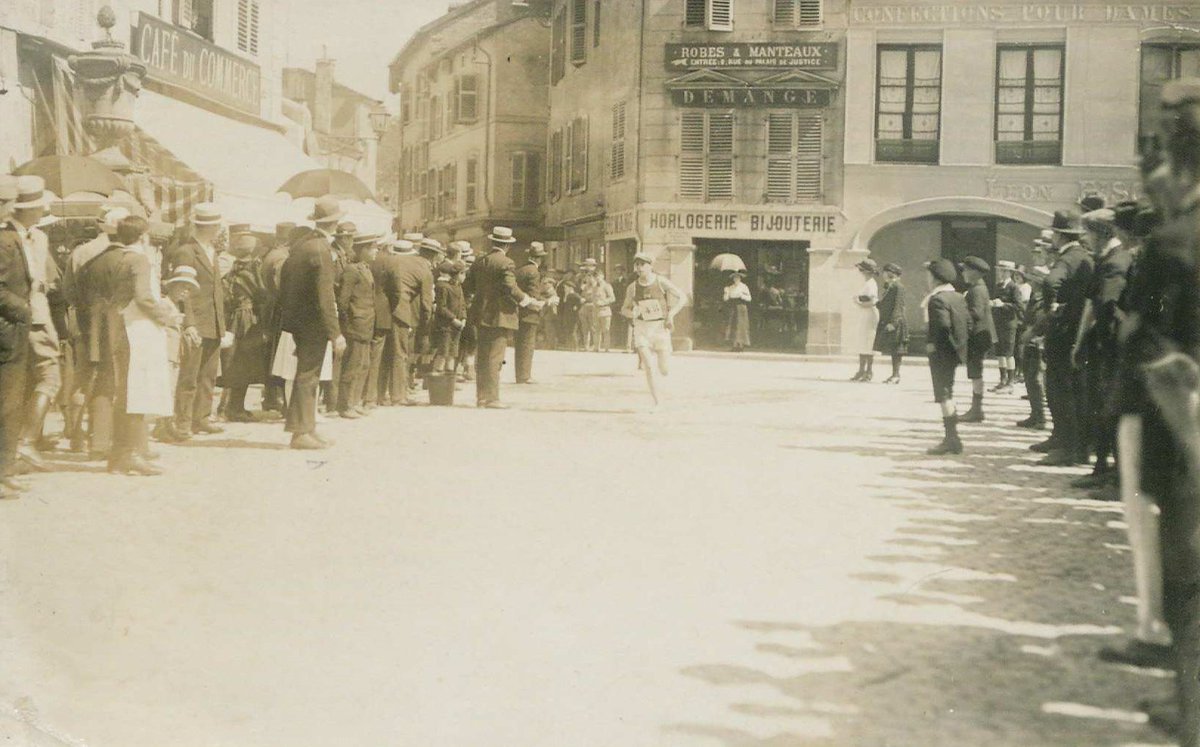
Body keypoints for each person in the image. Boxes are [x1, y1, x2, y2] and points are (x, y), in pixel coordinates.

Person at [1120, 78, 1200, 740]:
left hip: (1188, 414)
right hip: (1179, 405)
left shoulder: (1179, 238)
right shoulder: (1176, 230)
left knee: (1187, 563)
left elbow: (1138, 325)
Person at [107, 216, 175, 476]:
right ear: (143, 236)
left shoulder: (116, 258)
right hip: (138, 330)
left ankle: (119, 455)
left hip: (121, 327)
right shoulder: (140, 259)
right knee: (137, 392)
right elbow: (144, 297)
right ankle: (131, 454)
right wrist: (165, 317)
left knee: (125, 392)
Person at [277, 196, 346, 450]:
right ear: (335, 222)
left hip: (300, 320)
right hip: (314, 323)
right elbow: (324, 295)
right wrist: (335, 332)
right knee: (308, 376)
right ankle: (300, 432)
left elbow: (285, 284)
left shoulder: (303, 245)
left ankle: (306, 427)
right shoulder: (321, 249)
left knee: (308, 375)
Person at [1071, 208, 1132, 488]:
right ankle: (1101, 468)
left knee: (1109, 407)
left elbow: (1106, 308)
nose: (1085, 238)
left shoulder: (1116, 262)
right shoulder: (1106, 260)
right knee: (1099, 406)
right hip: (1101, 345)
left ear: (1103, 233)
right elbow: (1091, 306)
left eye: (1089, 232)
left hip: (1110, 347)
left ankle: (1116, 476)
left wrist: (1086, 340)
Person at [6, 177, 63, 472]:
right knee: (49, 376)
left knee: (20, 384)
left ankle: (15, 452)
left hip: (22, 317)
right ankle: (26, 443)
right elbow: (49, 280)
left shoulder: (33, 237)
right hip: (32, 317)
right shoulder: (36, 239)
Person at [1037, 209, 1095, 466]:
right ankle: (1064, 440)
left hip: (1063, 332)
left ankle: (1067, 447)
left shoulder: (1067, 257)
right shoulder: (1084, 256)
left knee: (1060, 389)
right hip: (1079, 329)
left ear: (1060, 236)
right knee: (1073, 390)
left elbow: (1051, 283)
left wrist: (1050, 307)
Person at [463, 226, 542, 408]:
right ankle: (492, 398)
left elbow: (468, 288)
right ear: (507, 246)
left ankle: (481, 396)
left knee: (482, 356)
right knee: (495, 357)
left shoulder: (479, 262)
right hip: (500, 315)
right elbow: (510, 287)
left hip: (480, 314)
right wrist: (527, 301)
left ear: (493, 242)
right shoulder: (506, 263)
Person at [169, 203, 226, 438]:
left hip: (212, 321)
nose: (220, 229)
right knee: (189, 375)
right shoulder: (187, 251)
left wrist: (222, 323)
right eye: (217, 225)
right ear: (209, 226)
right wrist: (189, 322)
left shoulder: (211, 250)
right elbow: (184, 291)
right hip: (196, 321)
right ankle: (182, 422)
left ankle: (201, 417)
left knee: (208, 374)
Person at [620, 252, 686, 409]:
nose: (639, 267)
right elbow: (624, 309)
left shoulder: (660, 282)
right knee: (649, 366)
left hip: (660, 329)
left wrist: (671, 314)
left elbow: (682, 297)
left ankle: (667, 387)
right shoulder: (632, 287)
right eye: (637, 264)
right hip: (642, 328)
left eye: (643, 264)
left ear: (650, 266)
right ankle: (657, 402)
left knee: (664, 370)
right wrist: (632, 313)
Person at [0, 174, 30, 498]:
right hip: (7, 331)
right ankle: (3, 472)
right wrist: (23, 309)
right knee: (8, 403)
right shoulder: (3, 241)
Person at [220, 232, 270, 422]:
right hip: (246, 318)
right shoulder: (250, 269)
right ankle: (235, 408)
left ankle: (232, 405)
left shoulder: (233, 268)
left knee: (235, 361)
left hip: (235, 317)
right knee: (244, 362)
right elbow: (261, 293)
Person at [923, 258, 969, 455]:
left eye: (929, 275)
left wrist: (932, 345)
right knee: (948, 392)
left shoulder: (937, 299)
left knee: (944, 394)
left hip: (942, 353)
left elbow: (942, 326)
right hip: (955, 351)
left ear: (935, 278)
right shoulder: (958, 296)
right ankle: (952, 437)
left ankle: (952, 438)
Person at [336, 231, 379, 419]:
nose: (376, 251)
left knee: (363, 364)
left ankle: (354, 402)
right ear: (363, 250)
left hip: (366, 323)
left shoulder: (365, 269)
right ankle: (345, 405)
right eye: (373, 248)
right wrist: (349, 323)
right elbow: (343, 301)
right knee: (352, 365)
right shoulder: (352, 270)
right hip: (356, 325)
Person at [958, 256, 996, 423]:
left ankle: (976, 410)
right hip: (981, 335)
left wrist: (959, 312)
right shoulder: (977, 288)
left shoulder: (976, 290)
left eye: (965, 270)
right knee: (975, 372)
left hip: (978, 335)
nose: (963, 273)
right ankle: (976, 408)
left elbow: (976, 313)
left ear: (974, 272)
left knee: (976, 372)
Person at [514, 242, 548, 383]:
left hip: (519, 312)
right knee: (527, 345)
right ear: (539, 259)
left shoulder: (521, 269)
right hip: (530, 313)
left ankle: (520, 374)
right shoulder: (534, 272)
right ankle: (524, 375)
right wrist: (545, 301)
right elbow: (534, 294)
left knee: (520, 344)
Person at [990, 260, 1022, 394]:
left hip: (1009, 324)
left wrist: (1003, 305)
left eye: (1003, 271)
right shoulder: (998, 286)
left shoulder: (1014, 287)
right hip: (998, 323)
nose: (1000, 273)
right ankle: (1002, 380)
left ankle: (1010, 382)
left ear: (1009, 272)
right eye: (999, 270)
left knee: (1009, 353)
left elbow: (1019, 306)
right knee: (1000, 353)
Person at [873, 263, 908, 384]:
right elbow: (886, 304)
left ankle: (896, 375)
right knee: (894, 349)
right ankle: (894, 374)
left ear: (891, 273)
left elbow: (898, 305)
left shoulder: (898, 287)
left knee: (897, 349)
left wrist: (894, 322)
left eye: (885, 272)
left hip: (896, 321)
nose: (883, 274)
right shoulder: (890, 286)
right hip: (889, 320)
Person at [431, 259, 467, 374]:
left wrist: (463, 318)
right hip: (446, 326)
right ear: (457, 274)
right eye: (463, 274)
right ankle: (436, 376)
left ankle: (449, 379)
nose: (464, 276)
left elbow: (462, 305)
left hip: (457, 326)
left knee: (452, 353)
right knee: (443, 352)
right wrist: (453, 319)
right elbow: (442, 308)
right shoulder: (444, 287)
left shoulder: (459, 287)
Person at [850, 259, 880, 381]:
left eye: (861, 270)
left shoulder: (871, 284)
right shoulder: (866, 283)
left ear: (866, 271)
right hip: (864, 314)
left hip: (869, 314)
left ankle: (868, 371)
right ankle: (861, 370)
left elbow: (873, 302)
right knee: (862, 341)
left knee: (868, 342)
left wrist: (858, 302)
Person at [723, 270, 751, 352]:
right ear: (733, 279)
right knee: (733, 324)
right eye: (735, 278)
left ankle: (741, 345)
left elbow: (749, 298)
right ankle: (734, 345)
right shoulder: (730, 288)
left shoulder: (744, 287)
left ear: (740, 279)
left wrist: (742, 295)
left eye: (738, 278)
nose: (736, 279)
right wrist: (726, 292)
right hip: (733, 307)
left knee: (741, 326)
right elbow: (725, 299)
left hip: (741, 307)